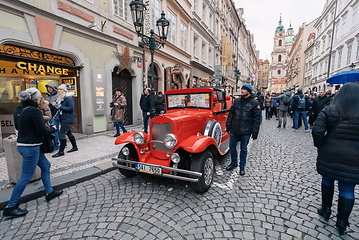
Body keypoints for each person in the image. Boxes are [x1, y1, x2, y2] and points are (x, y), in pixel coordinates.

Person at [3, 88, 63, 218]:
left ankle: (49, 192)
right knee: (26, 176)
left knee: (46, 166)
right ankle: (10, 206)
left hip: (25, 145)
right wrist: (52, 129)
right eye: (39, 97)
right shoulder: (34, 111)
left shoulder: (18, 109)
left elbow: (19, 128)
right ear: (36, 99)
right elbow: (41, 130)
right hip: (31, 147)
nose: (40, 99)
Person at [312, 83, 359, 235]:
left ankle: (326, 210)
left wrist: (320, 145)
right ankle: (342, 223)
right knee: (347, 188)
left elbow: (317, 130)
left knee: (327, 180)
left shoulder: (330, 109)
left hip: (330, 152)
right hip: (354, 156)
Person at [225, 84, 261, 175]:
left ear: (248, 92)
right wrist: (228, 125)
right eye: (241, 89)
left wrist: (255, 131)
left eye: (244, 89)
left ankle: (242, 166)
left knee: (243, 149)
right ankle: (233, 163)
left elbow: (257, 119)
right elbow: (231, 114)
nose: (242, 91)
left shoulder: (254, 103)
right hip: (235, 129)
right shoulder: (237, 101)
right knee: (232, 147)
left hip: (246, 131)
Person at [52, 84, 78, 157]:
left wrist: (60, 107)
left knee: (61, 134)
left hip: (68, 118)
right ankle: (75, 147)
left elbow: (71, 108)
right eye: (58, 89)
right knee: (69, 133)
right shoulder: (61, 98)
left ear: (64, 91)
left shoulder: (69, 98)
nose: (59, 91)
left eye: (60, 89)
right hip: (64, 118)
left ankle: (61, 151)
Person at [46, 82, 60, 150]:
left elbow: (58, 107)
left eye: (51, 87)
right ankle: (59, 143)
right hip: (49, 115)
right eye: (48, 87)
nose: (49, 89)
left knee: (55, 131)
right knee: (52, 130)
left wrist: (54, 115)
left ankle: (57, 145)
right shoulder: (47, 95)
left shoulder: (57, 95)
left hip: (55, 115)